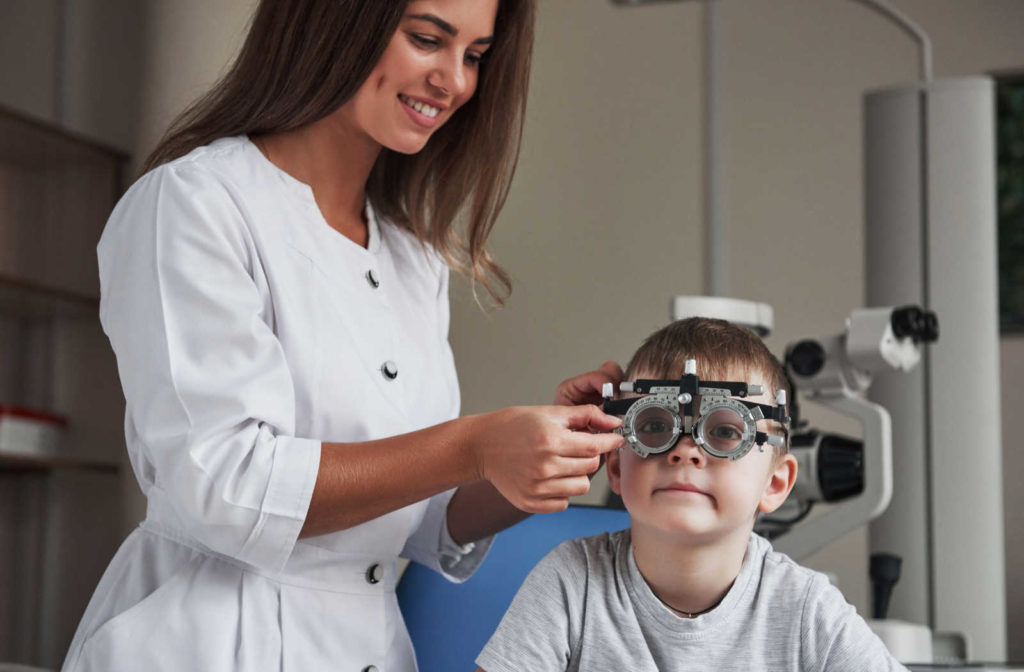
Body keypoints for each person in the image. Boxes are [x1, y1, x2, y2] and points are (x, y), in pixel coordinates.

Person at [61, 1, 625, 670]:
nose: (455, 81)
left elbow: (417, 516)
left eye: (474, 55)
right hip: (211, 642)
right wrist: (474, 444)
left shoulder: (410, 257)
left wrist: (539, 456)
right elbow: (225, 486)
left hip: (370, 646)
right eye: (426, 39)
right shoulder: (195, 204)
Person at [476, 317, 909, 671]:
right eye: (655, 426)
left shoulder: (805, 610)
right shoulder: (574, 581)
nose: (686, 450)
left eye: (724, 431)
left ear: (775, 483)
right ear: (616, 466)